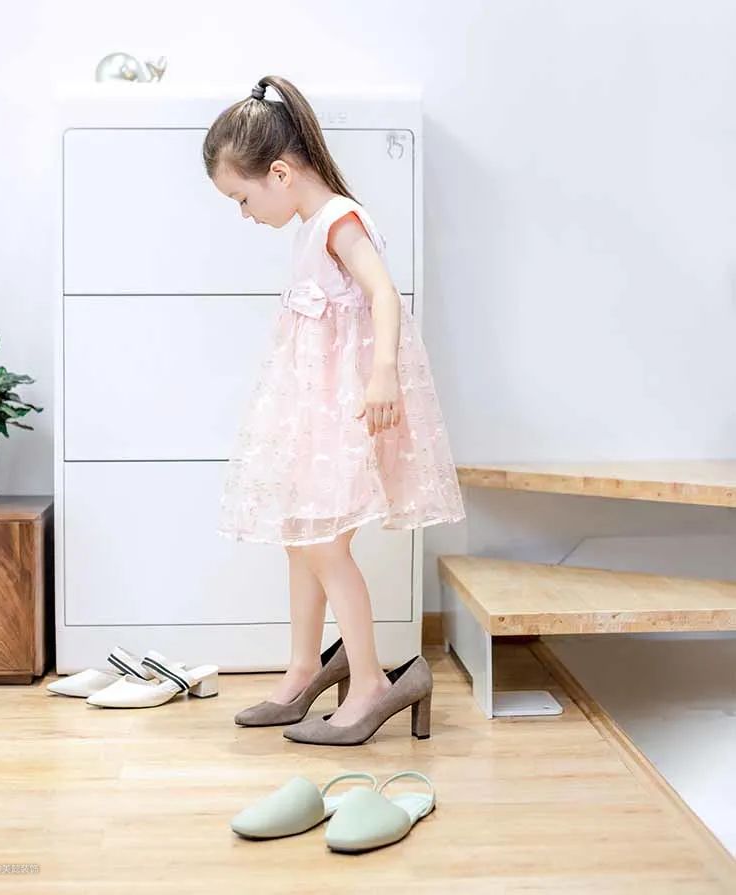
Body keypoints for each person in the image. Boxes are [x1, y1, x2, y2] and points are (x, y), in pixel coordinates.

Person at [202, 75, 465, 740]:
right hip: (311, 411)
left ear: (280, 173)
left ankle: (371, 682)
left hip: (343, 411)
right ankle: (303, 669)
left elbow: (383, 294)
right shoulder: (309, 228)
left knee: (323, 542)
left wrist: (383, 375)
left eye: (241, 198)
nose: (243, 213)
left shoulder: (339, 221)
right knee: (301, 537)